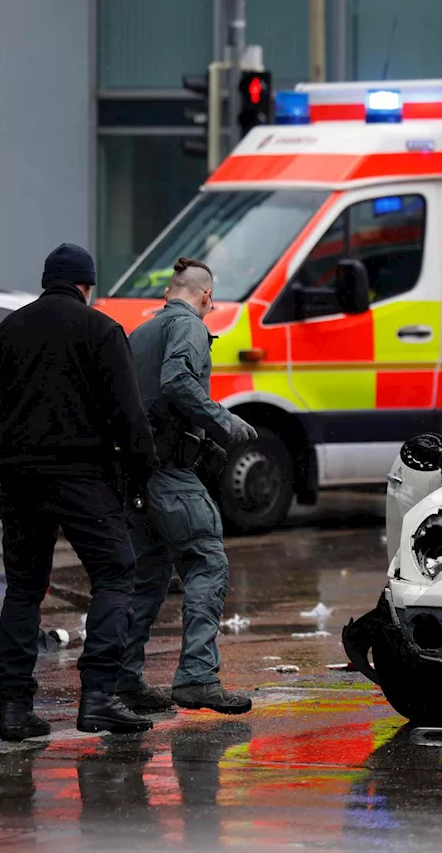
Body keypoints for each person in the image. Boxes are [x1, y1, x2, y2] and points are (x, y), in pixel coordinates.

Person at [0, 243, 159, 741]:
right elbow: (128, 414)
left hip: (20, 480)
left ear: (47, 280)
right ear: (87, 286)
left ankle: (14, 710)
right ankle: (99, 698)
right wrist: (141, 474)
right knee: (114, 573)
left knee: (24, 589)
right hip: (84, 477)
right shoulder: (100, 330)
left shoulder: (8, 331)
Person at [116, 257, 258, 715]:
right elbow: (177, 381)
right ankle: (197, 677)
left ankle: (125, 680)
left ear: (167, 292)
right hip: (170, 474)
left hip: (136, 476)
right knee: (206, 562)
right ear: (205, 296)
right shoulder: (191, 327)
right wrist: (225, 423)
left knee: (149, 576)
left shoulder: (140, 334)